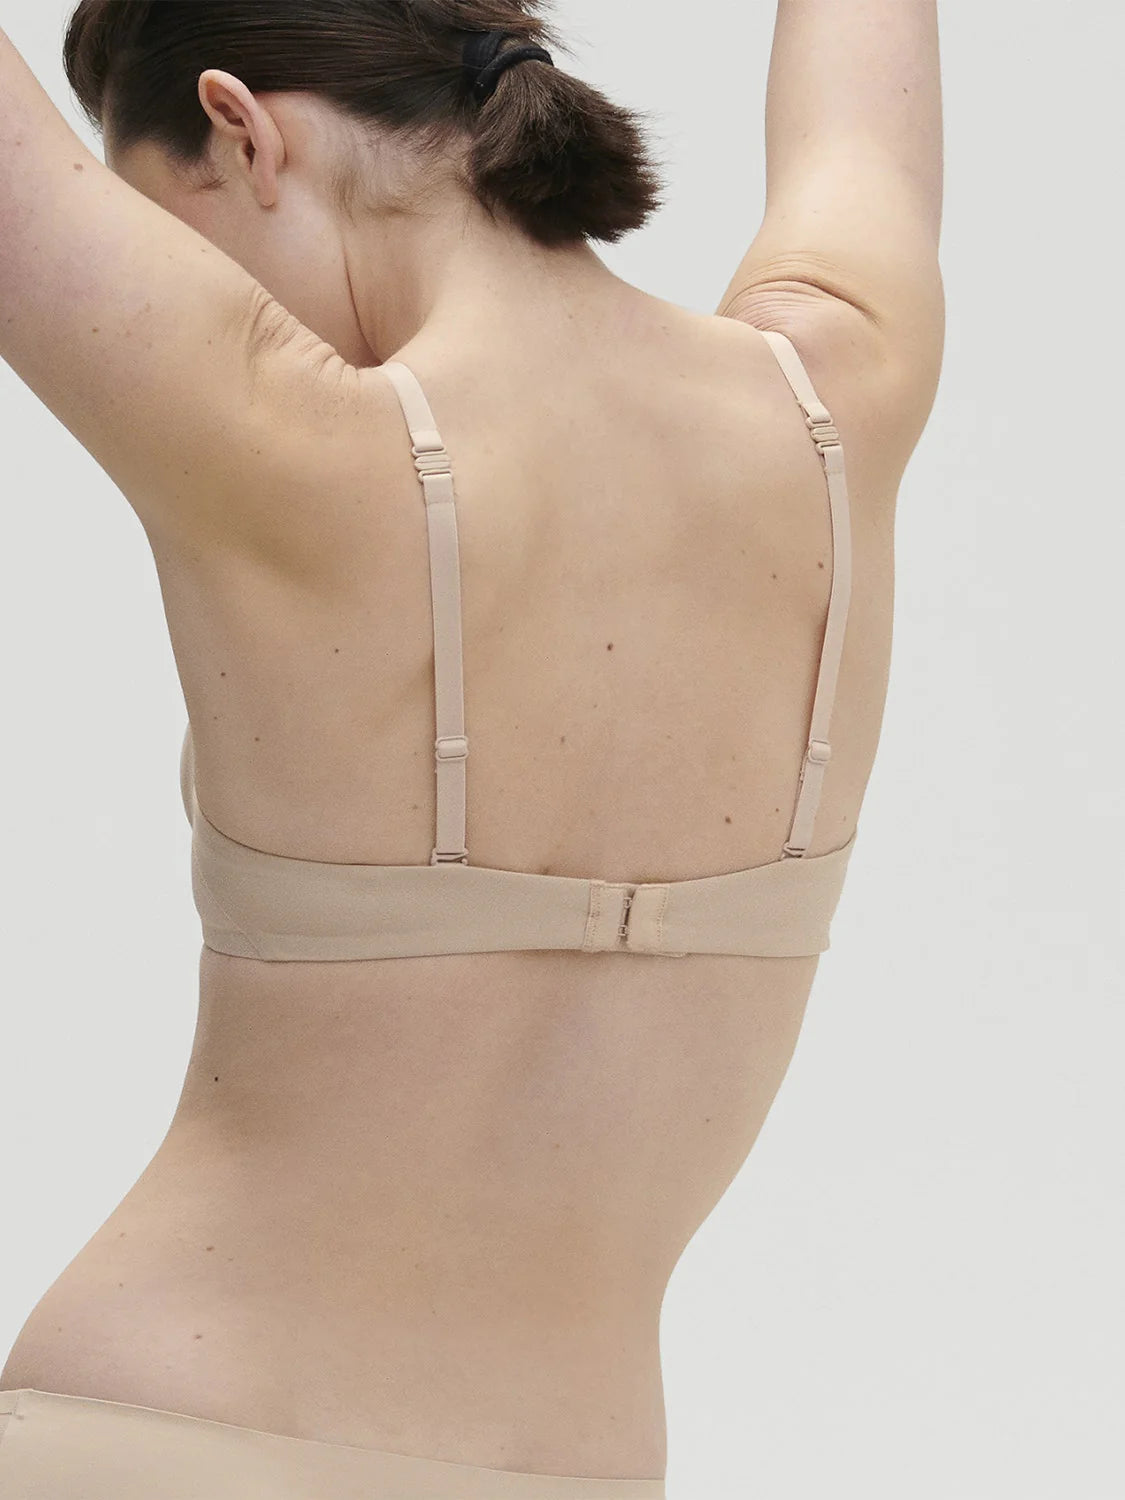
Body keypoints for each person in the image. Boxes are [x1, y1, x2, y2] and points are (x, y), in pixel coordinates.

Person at [0, 1, 944, 1494]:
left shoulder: (282, 436)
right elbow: (862, 131)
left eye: (161, 230)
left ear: (241, 132)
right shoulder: (842, 402)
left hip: (164, 1436)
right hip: (576, 1461)